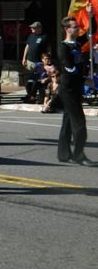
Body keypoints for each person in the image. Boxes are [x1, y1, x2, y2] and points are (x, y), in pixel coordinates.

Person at [56, 16, 97, 166]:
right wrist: (84, 79)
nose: (77, 29)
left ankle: (63, 154)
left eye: (77, 26)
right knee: (79, 123)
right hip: (68, 89)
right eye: (74, 27)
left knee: (68, 121)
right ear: (67, 29)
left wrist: (90, 14)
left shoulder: (77, 44)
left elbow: (91, 33)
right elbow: (69, 68)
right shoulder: (63, 47)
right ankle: (78, 155)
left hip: (76, 88)